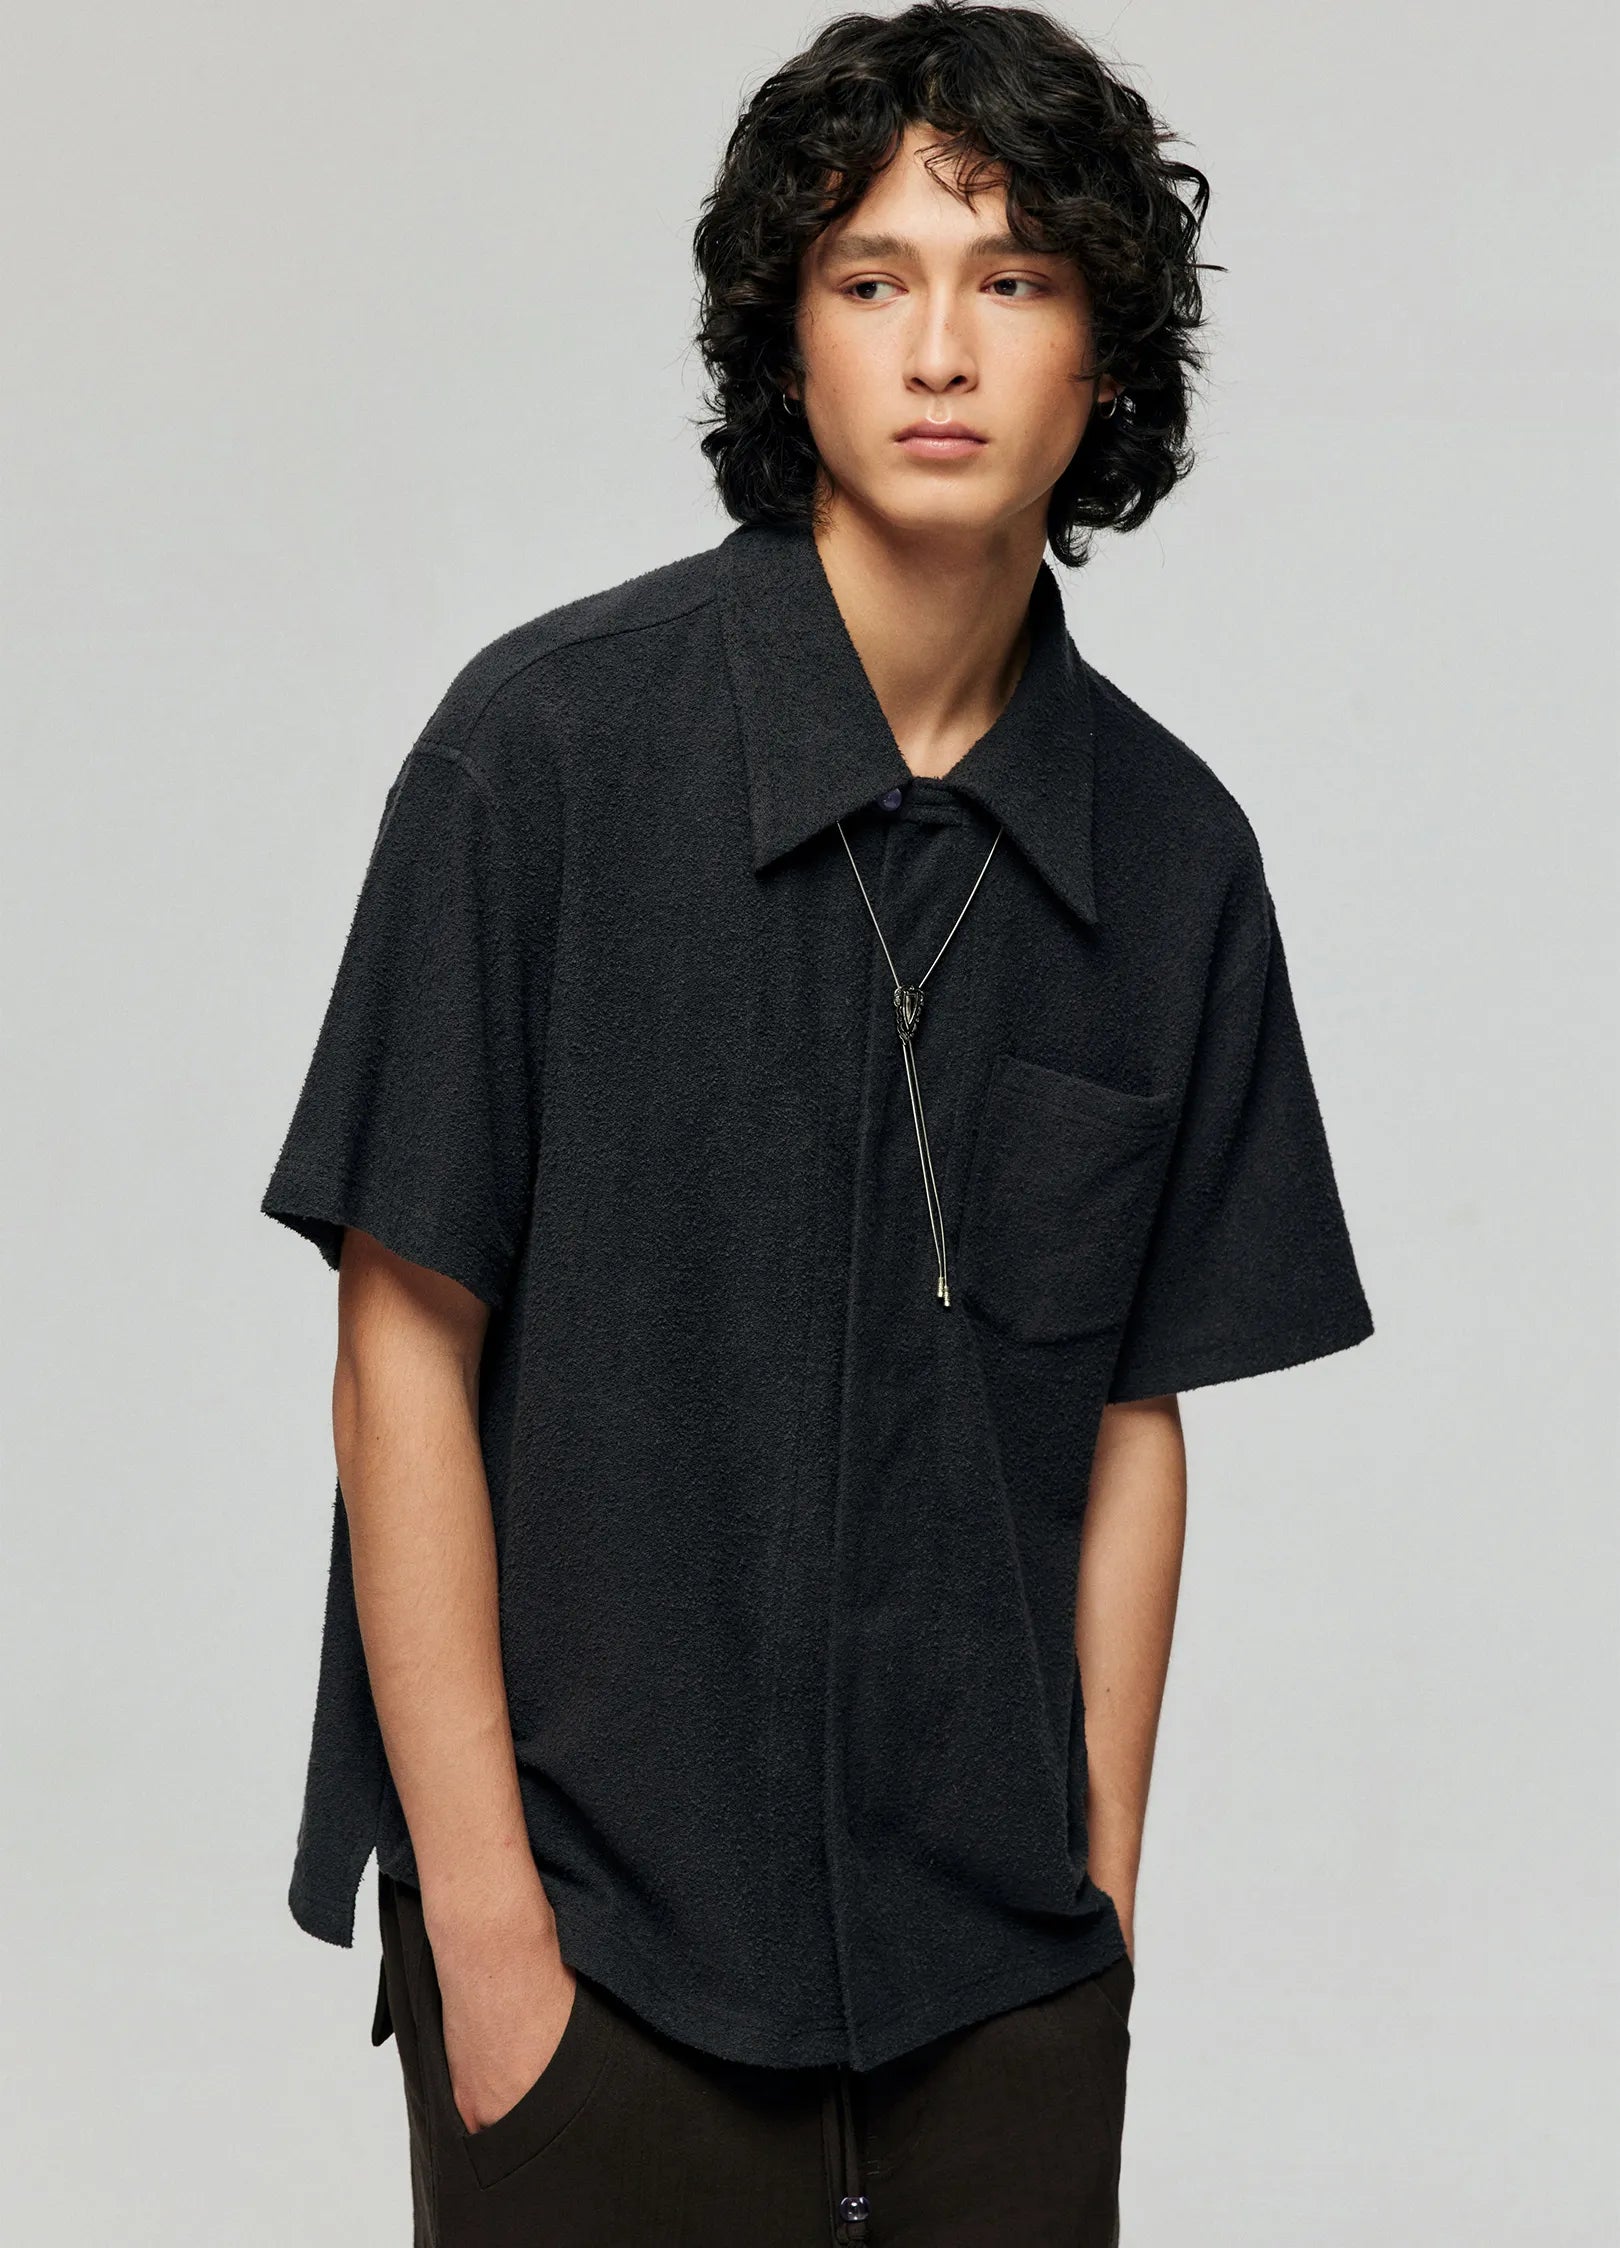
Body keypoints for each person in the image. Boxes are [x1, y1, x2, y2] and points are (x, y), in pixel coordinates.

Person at [259, 5, 1374, 2241]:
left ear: (1105, 358)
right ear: (791, 335)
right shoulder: (544, 759)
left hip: (996, 1998)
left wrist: (1098, 1920)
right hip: (596, 1973)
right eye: (874, 278)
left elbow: (1136, 1417)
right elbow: (401, 1346)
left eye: (1013, 277)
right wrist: (489, 1942)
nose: (940, 346)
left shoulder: (1174, 861)